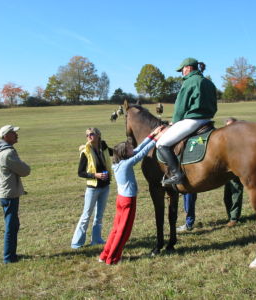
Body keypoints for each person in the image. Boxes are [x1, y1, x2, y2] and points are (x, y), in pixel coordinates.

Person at [99, 125, 166, 265]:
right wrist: (156, 140)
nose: (132, 149)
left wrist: (152, 134)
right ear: (125, 153)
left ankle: (104, 255)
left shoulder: (119, 163)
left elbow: (138, 148)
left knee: (116, 229)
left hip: (121, 199)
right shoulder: (126, 164)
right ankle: (113, 259)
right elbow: (142, 153)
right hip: (128, 201)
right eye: (130, 149)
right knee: (123, 231)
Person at [156, 57, 217, 185]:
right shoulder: (209, 82)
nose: (182, 73)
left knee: (161, 144)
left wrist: (174, 122)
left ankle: (177, 175)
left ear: (188, 68)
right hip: (207, 120)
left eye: (182, 70)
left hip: (192, 121)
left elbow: (180, 106)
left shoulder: (189, 82)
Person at [0, 125, 31, 264]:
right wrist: (25, 164)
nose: (16, 135)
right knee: (11, 225)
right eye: (14, 133)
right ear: (6, 136)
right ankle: (9, 257)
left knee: (13, 223)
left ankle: (11, 255)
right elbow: (25, 171)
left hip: (4, 191)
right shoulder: (8, 153)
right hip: (9, 193)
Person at [71, 128, 113, 249]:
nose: (89, 136)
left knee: (99, 215)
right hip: (92, 188)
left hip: (105, 186)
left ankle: (96, 239)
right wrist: (95, 175)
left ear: (99, 135)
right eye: (87, 135)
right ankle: (76, 243)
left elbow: (115, 152)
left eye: (91, 134)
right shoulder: (86, 151)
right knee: (86, 215)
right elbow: (80, 172)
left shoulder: (103, 147)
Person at [223, 117, 243, 227]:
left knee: (236, 193)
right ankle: (230, 216)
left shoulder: (240, 138)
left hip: (236, 170)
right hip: (226, 171)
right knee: (227, 196)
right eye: (227, 126)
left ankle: (234, 218)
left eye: (232, 125)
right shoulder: (226, 138)